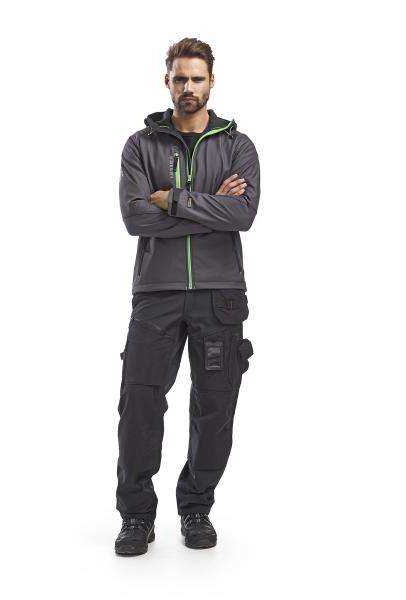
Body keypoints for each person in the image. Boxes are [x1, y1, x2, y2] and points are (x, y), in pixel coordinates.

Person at [114, 37, 260, 556]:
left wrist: (172, 200)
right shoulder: (141, 145)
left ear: (212, 81)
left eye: (197, 78)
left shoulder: (238, 146)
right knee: (139, 405)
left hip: (221, 295)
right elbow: (136, 218)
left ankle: (196, 507)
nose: (188, 87)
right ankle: (136, 517)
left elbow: (243, 214)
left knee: (215, 406)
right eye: (180, 78)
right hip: (156, 293)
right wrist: (208, 207)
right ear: (167, 81)